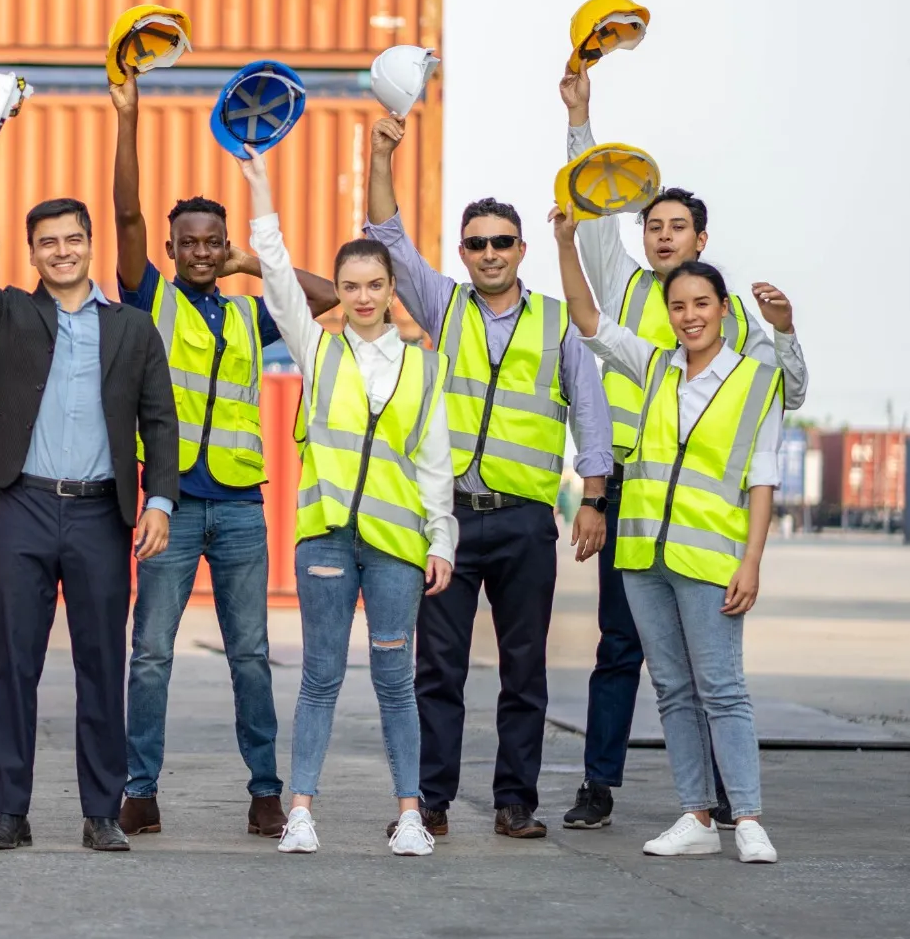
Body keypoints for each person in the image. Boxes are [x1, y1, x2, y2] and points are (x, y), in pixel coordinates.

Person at [557, 69, 809, 830]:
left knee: (708, 662)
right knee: (620, 650)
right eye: (652, 226)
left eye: (677, 227)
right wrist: (580, 114)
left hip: (705, 506)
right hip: (628, 489)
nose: (661, 235)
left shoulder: (731, 323)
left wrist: (788, 328)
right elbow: (590, 212)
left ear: (702, 239)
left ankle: (722, 794)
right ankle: (601, 784)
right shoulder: (631, 295)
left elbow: (783, 397)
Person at [365, 113, 614, 840]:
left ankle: (515, 802)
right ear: (464, 254)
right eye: (476, 243)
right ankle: (431, 801)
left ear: (521, 249)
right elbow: (385, 236)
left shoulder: (556, 321)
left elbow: (590, 415)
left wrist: (593, 498)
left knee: (523, 670)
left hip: (525, 521)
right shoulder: (443, 304)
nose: (489, 253)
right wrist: (380, 153)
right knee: (436, 668)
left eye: (502, 241)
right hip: (448, 518)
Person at [109, 72, 337, 840]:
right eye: (192, 243)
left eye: (214, 241)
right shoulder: (151, 301)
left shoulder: (248, 312)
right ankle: (140, 788)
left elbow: (328, 294)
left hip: (241, 506)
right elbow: (129, 212)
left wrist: (251, 263)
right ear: (171, 250)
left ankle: (265, 790)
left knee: (248, 653)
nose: (202, 251)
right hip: (169, 506)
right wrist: (129, 120)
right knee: (150, 654)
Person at [0, 151, 178, 853]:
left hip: (103, 513)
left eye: (73, 238)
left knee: (102, 663)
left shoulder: (132, 327)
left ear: (89, 244)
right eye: (47, 242)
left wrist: (159, 499)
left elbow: (160, 421)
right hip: (25, 508)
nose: (61, 251)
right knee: (16, 663)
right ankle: (11, 809)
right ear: (34, 253)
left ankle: (102, 811)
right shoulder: (11, 313)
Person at [238, 149, 455, 858]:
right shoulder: (317, 348)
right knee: (321, 675)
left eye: (375, 284)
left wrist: (442, 539)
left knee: (397, 681)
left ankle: (410, 814)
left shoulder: (424, 364)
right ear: (339, 290)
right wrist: (262, 186)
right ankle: (301, 811)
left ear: (393, 287)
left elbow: (433, 459)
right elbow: (275, 276)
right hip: (326, 538)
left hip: (396, 547)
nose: (363, 296)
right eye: (351, 286)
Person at [554, 208, 782, 863]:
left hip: (709, 556)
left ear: (721, 307)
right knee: (673, 689)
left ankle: (748, 816)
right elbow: (586, 316)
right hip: (643, 555)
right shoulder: (652, 365)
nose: (689, 315)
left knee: (723, 687)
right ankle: (697, 816)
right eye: (679, 305)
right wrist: (565, 242)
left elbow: (762, 475)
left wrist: (753, 560)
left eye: (701, 303)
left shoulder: (751, 379)